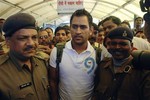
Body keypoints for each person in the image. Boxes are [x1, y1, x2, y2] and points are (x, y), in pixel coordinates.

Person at [49, 9, 97, 100]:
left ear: (91, 30)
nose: (78, 31)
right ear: (70, 28)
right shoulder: (57, 51)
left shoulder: (98, 53)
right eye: (74, 27)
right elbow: (53, 81)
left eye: (83, 27)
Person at [0, 13, 51, 100]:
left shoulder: (43, 63)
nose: (31, 43)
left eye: (34, 37)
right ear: (8, 41)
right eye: (23, 38)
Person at [92, 27, 150, 100]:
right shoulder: (102, 66)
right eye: (113, 43)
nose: (117, 47)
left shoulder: (142, 71)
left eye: (123, 44)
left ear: (131, 46)